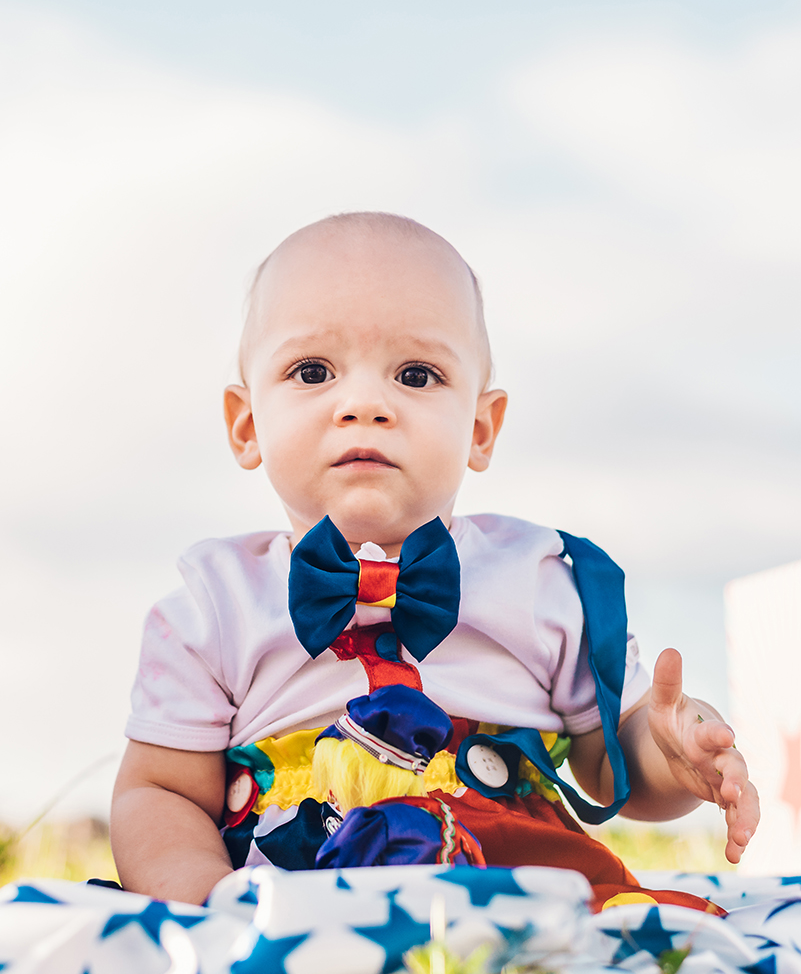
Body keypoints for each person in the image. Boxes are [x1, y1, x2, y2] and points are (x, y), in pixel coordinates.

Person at [111, 212, 759, 909]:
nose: (364, 404)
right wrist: (208, 909)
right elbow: (161, 790)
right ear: (246, 425)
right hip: (296, 900)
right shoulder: (215, 605)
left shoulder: (540, 578)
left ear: (479, 429)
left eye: (416, 375)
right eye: (312, 371)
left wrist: (669, 756)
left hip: (512, 884)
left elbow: (610, 770)